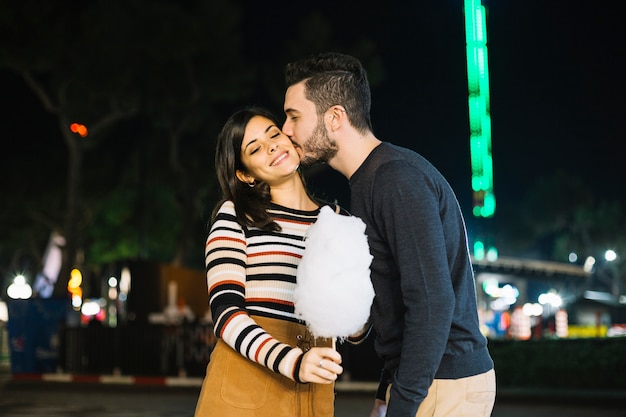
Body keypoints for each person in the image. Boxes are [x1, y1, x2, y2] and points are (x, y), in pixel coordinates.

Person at [282, 52, 496, 417]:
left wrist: (403, 404)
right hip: (426, 381)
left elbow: (431, 302)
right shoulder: (370, 181)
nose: (286, 129)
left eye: (294, 116)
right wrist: (388, 386)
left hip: (445, 384)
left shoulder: (395, 179)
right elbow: (395, 301)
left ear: (334, 117)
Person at [194, 107, 346, 417]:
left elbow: (353, 322)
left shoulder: (338, 222)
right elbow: (226, 315)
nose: (272, 146)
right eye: (255, 149)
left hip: (314, 392)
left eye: (273, 134)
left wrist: (358, 323)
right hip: (245, 389)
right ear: (245, 174)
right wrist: (293, 361)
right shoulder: (235, 215)